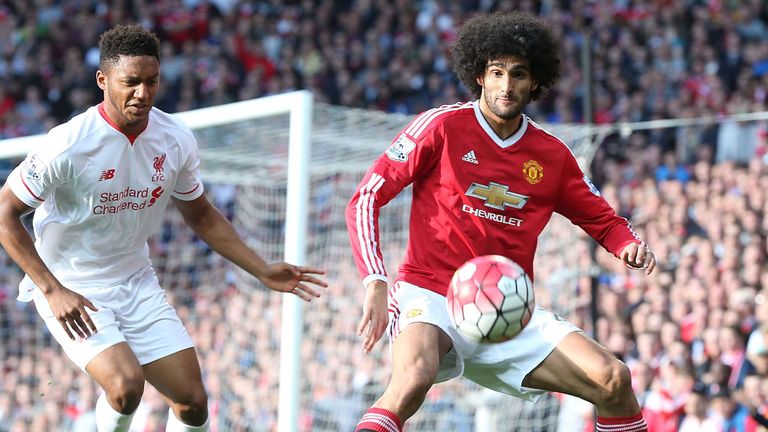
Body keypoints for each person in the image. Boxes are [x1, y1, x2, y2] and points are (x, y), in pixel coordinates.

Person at [0, 24, 327, 432]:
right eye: (130, 82)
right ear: (103, 80)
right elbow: (4, 214)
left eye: (151, 82)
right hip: (72, 285)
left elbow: (201, 214)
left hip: (136, 280)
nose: (143, 93)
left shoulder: (175, 138)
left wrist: (260, 268)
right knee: (125, 386)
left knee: (192, 403)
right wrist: (51, 289)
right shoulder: (67, 145)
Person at [345, 12, 656, 432]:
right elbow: (366, 197)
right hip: (431, 294)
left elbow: (603, 219)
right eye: (497, 73)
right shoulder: (441, 127)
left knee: (614, 380)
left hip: (508, 309)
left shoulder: (551, 155)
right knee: (412, 380)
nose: (506, 86)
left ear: (535, 82)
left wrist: (627, 244)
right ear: (479, 76)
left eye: (518, 74)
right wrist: (375, 281)